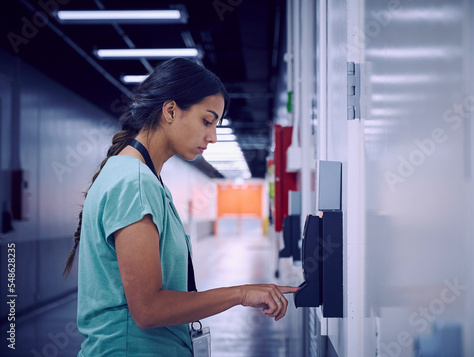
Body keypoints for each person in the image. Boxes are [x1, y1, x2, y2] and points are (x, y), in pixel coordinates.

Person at [63, 57, 299, 356]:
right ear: (171, 111)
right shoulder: (134, 183)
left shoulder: (142, 178)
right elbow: (148, 309)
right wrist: (241, 293)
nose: (212, 137)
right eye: (207, 120)